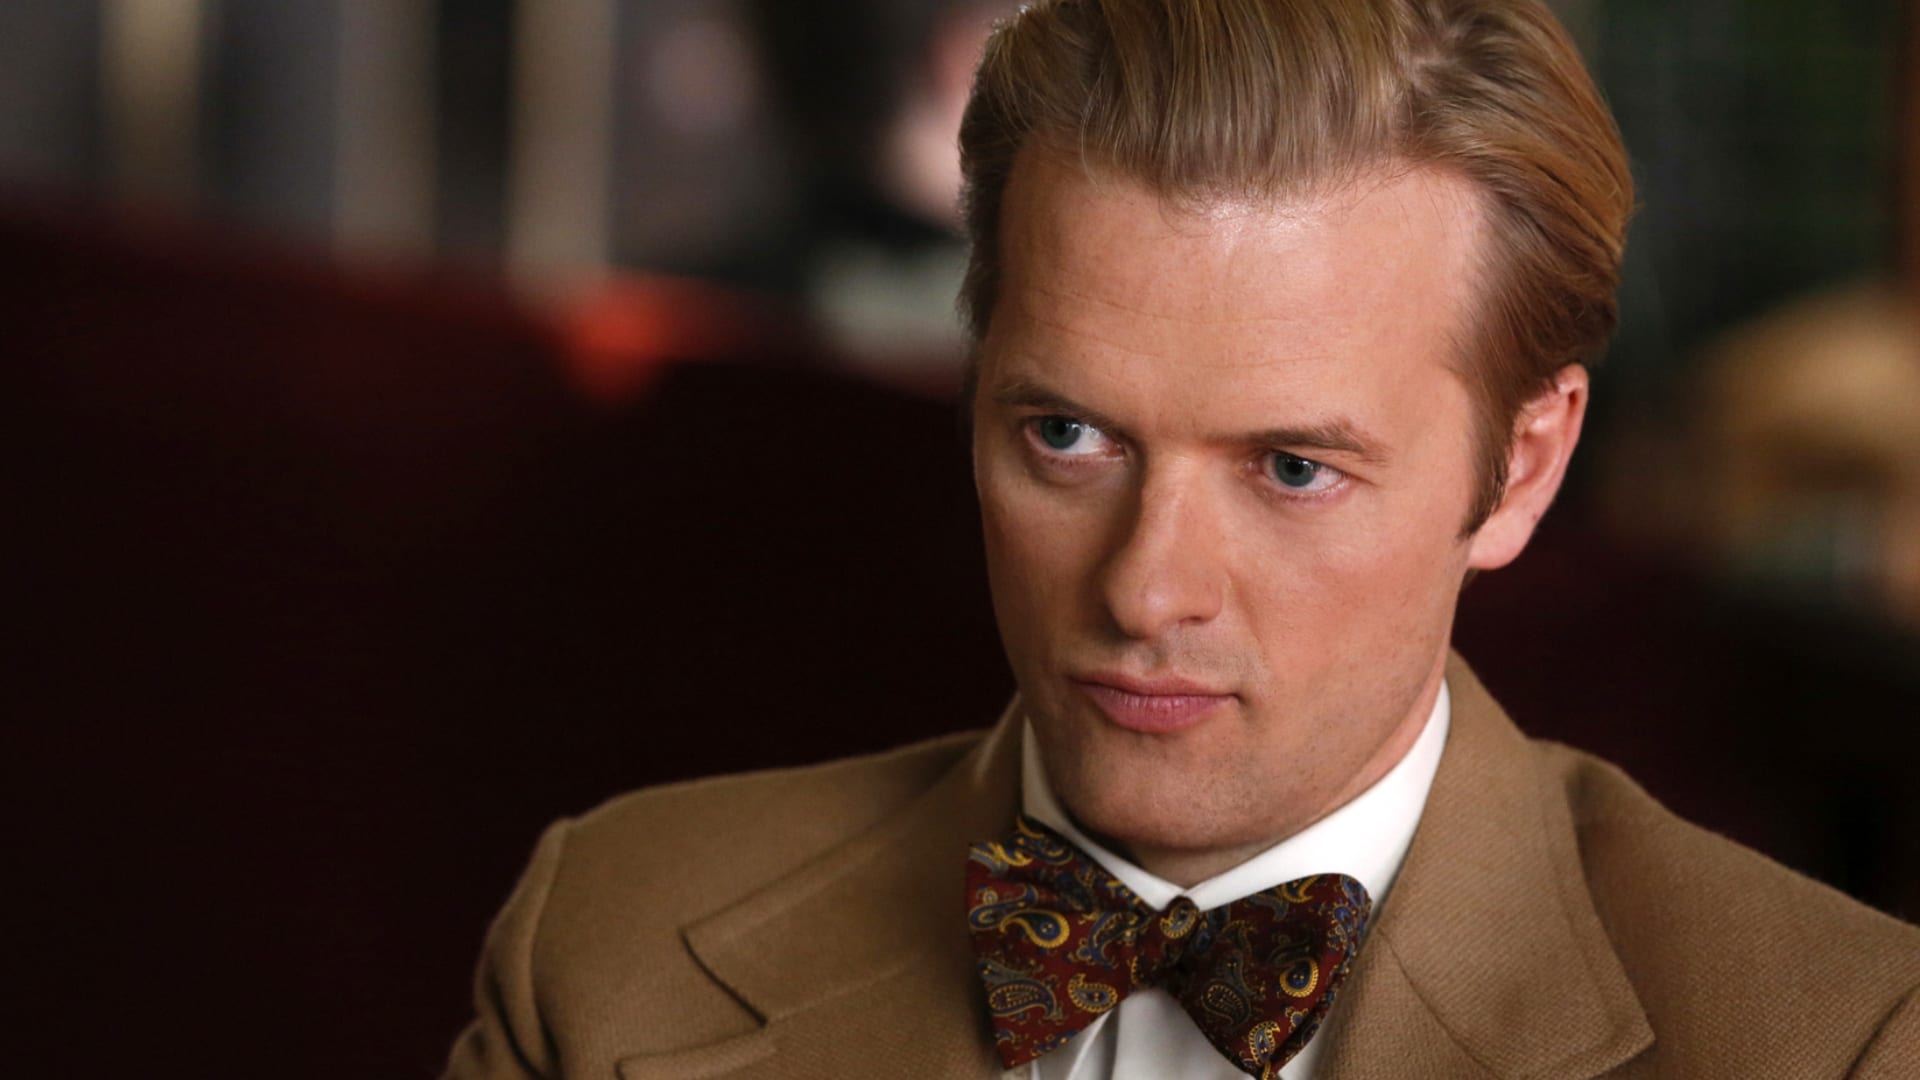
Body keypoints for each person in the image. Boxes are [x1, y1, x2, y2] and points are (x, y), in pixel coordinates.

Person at [443, 1, 1920, 1076]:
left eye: (1293, 468)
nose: (1147, 591)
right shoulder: (613, 942)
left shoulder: (1839, 1042)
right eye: (1067, 437)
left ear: (1522, 469)